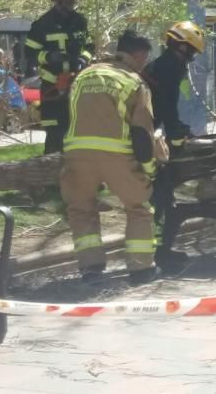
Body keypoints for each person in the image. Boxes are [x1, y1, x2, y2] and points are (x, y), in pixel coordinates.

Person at [61, 30, 166, 285]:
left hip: (77, 153)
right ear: (139, 54)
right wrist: (150, 168)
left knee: (81, 208)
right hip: (116, 154)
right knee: (138, 208)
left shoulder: (84, 76)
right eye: (145, 57)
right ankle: (141, 270)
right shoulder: (133, 81)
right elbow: (142, 134)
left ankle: (91, 268)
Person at [141, 20, 206, 268]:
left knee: (161, 197)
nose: (191, 58)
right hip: (147, 137)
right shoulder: (171, 67)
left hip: (147, 132)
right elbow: (166, 107)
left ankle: (157, 252)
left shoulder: (164, 64)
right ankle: (158, 253)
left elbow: (166, 107)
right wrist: (178, 137)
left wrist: (177, 129)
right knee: (161, 197)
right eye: (191, 51)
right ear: (182, 47)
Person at [25, 0, 92, 154]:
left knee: (79, 131)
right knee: (55, 134)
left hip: (77, 84)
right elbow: (29, 54)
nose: (72, 3)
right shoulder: (41, 25)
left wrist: (83, 59)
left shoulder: (80, 21)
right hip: (52, 87)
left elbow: (90, 46)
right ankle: (51, 177)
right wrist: (49, 57)